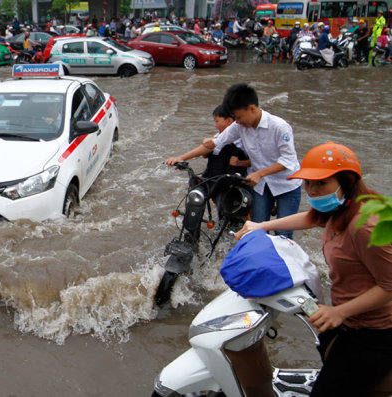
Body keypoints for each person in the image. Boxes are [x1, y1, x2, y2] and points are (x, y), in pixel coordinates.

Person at [234, 142, 392, 397]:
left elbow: (388, 286)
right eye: (308, 183)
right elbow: (310, 218)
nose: (313, 191)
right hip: (345, 321)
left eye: (322, 183)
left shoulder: (364, 226)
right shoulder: (338, 210)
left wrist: (339, 311)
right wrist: (261, 225)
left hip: (374, 333)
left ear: (347, 182)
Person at [165, 83, 302, 239]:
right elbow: (216, 143)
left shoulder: (279, 127)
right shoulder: (239, 126)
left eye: (238, 117)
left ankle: (282, 261)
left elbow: (288, 160)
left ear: (252, 108)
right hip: (261, 187)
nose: (237, 122)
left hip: (286, 185)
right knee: (256, 229)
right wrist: (181, 158)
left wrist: (259, 173)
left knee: (283, 232)